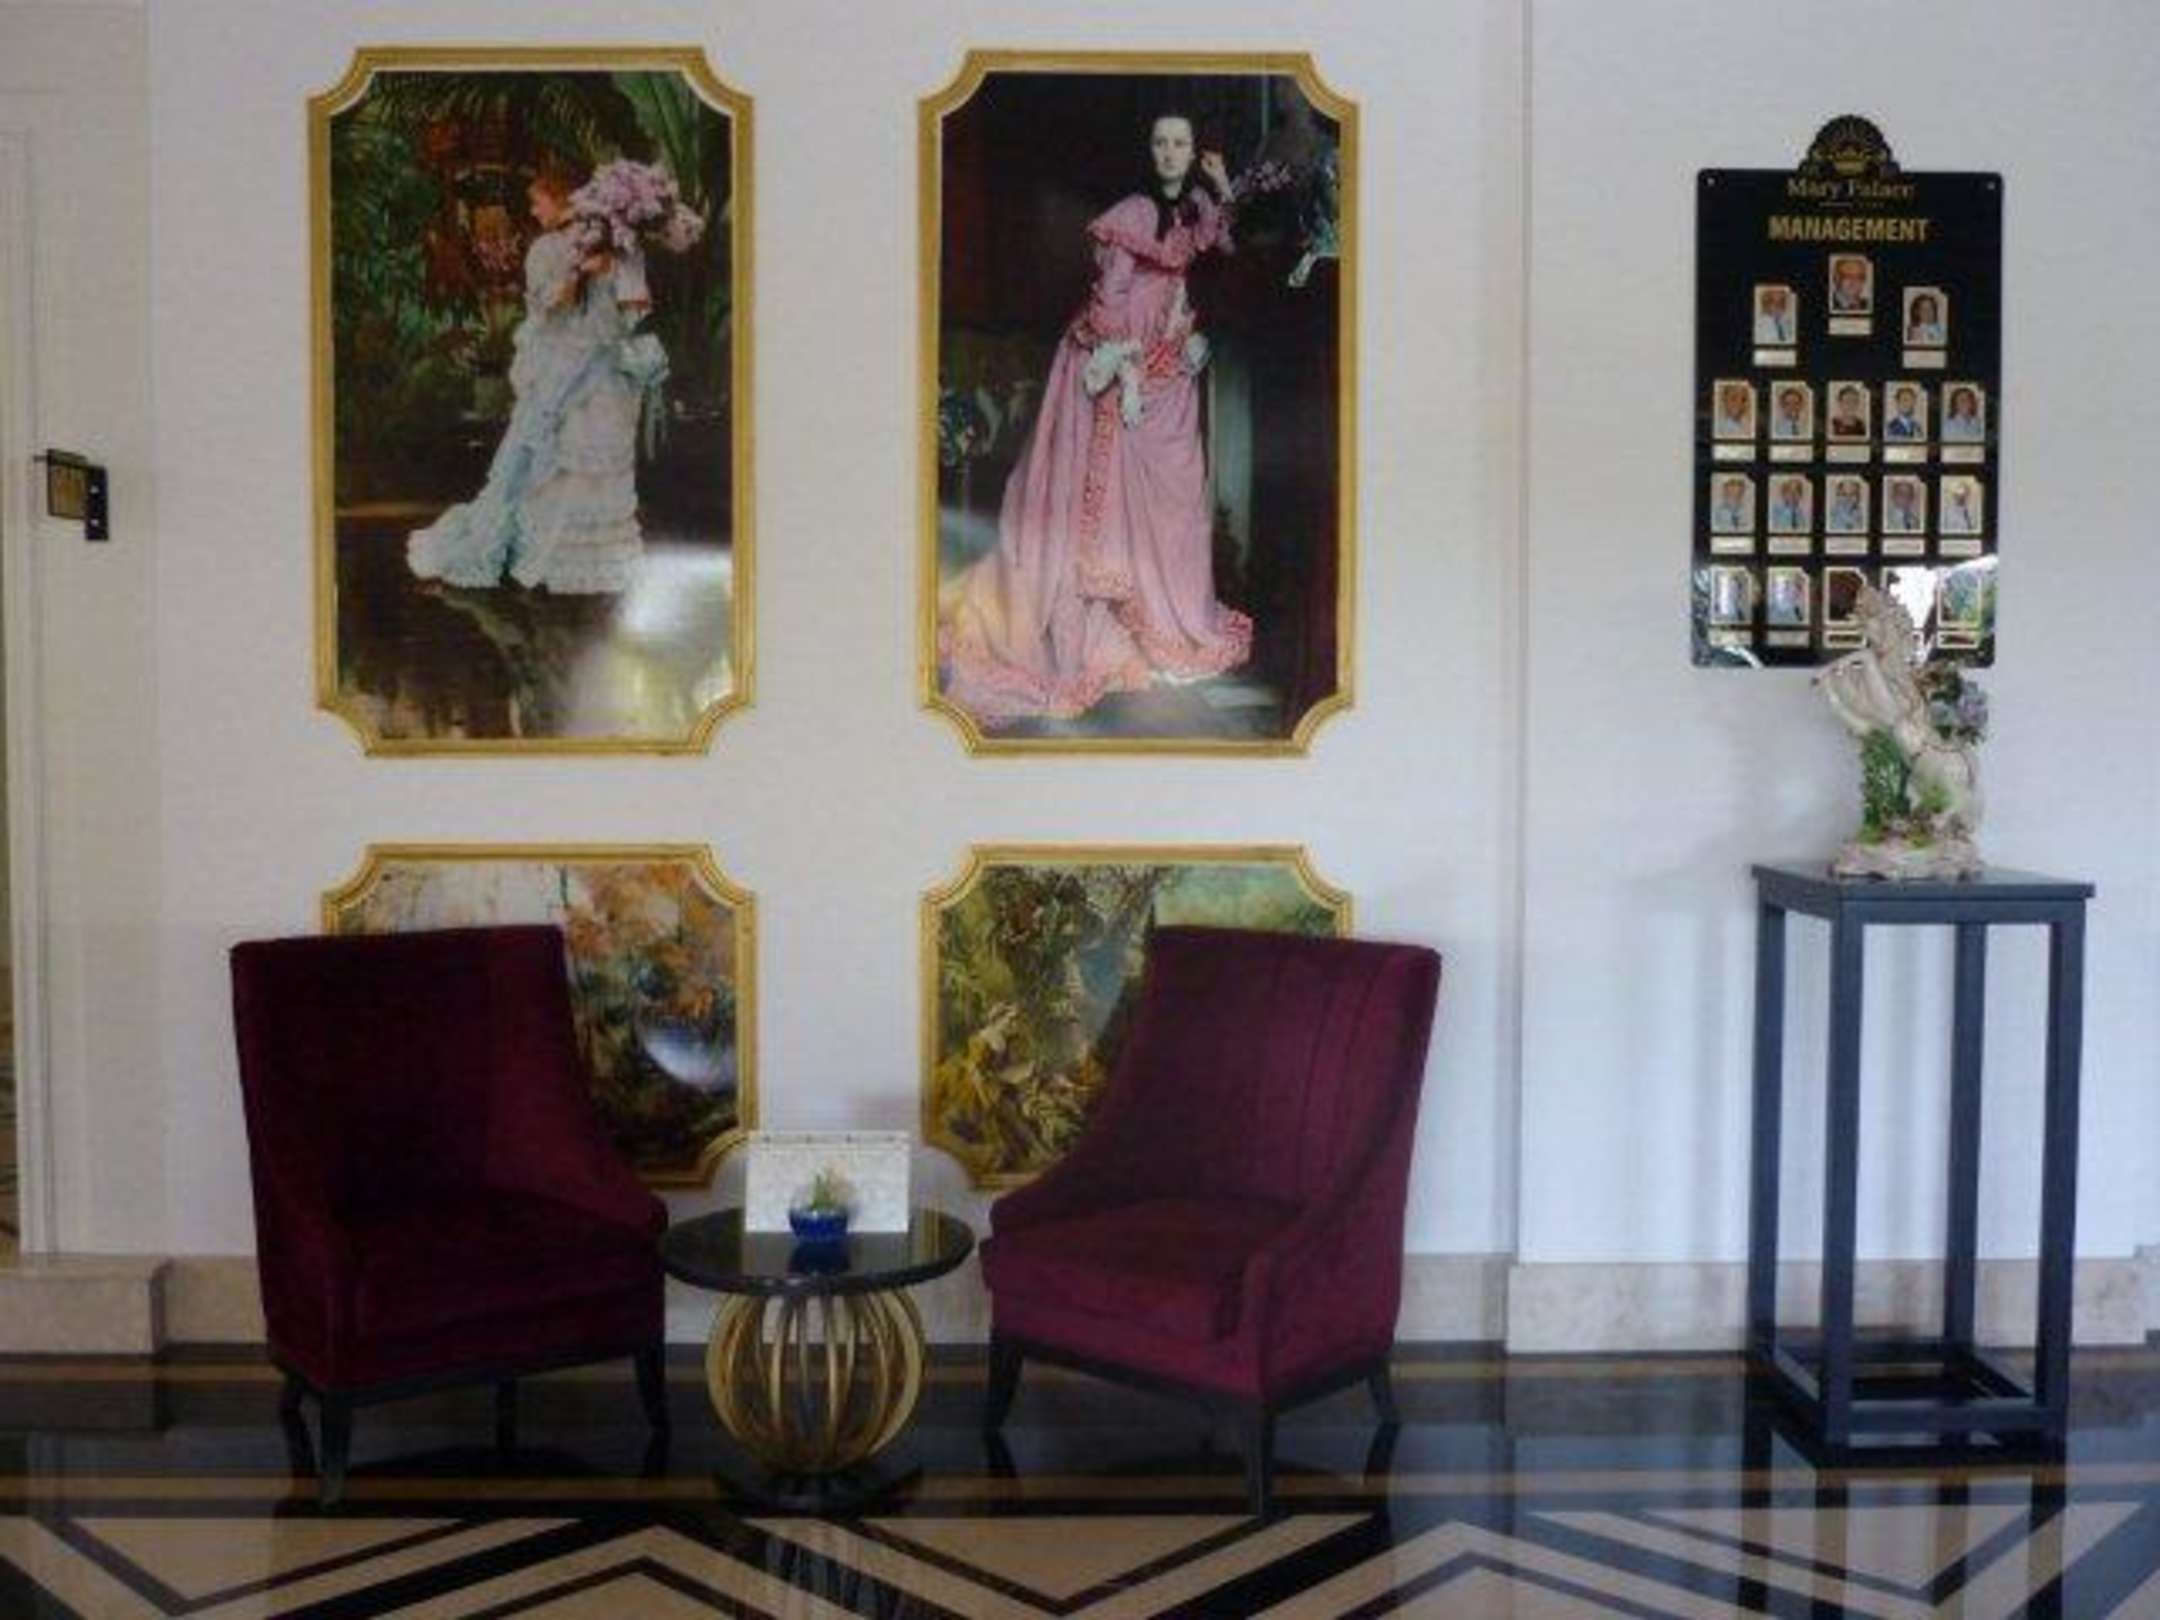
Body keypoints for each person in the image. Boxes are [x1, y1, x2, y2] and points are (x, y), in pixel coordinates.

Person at [938, 114, 1254, 724]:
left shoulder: (1194, 206)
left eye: (1180, 144)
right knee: (1100, 505)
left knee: (1174, 500)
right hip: (1114, 361)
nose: (1170, 153)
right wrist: (1124, 365)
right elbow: (1109, 301)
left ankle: (1160, 627)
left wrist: (1220, 186)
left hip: (1168, 366)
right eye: (1160, 143)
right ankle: (1094, 634)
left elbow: (1224, 248)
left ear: (1192, 152)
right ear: (1149, 150)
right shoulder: (1133, 212)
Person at [408, 162, 666, 596]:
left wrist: (616, 273)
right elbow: (545, 309)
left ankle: (598, 560)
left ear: (562, 197)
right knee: (554, 456)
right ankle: (546, 556)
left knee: (599, 452)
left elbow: (636, 309)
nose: (533, 210)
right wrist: (580, 271)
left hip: (606, 368)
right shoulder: (546, 249)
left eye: (537, 201)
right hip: (561, 369)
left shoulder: (624, 248)